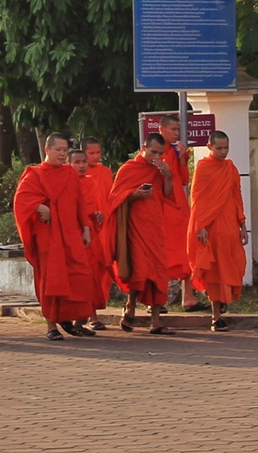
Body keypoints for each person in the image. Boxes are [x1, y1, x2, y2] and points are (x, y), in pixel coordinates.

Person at [14, 134, 97, 341]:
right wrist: (39, 206)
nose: (62, 153)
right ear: (47, 150)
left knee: (79, 277)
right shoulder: (34, 174)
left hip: (71, 234)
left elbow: (79, 202)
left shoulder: (69, 173)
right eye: (58, 149)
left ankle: (71, 320)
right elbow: (21, 199)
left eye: (64, 150)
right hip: (48, 236)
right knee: (50, 281)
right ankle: (51, 325)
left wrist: (86, 228)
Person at [108, 132, 175, 334]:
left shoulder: (159, 169)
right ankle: (130, 307)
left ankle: (156, 321)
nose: (157, 157)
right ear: (143, 147)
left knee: (159, 272)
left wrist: (168, 175)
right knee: (140, 271)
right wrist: (134, 195)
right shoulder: (129, 169)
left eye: (161, 153)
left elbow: (168, 194)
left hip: (155, 227)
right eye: (153, 152)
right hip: (135, 228)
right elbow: (114, 199)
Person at [187, 129, 248, 331]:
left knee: (234, 265)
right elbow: (197, 199)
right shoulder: (203, 168)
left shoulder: (231, 168)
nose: (223, 152)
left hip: (229, 226)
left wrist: (242, 224)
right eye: (219, 148)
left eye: (226, 148)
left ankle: (223, 301)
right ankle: (215, 317)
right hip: (210, 228)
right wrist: (200, 226)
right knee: (214, 271)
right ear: (209, 147)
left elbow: (236, 196)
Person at [156, 114, 199, 311]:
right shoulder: (153, 152)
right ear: (161, 129)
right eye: (172, 130)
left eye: (177, 130)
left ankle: (188, 297)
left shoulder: (174, 151)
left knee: (186, 253)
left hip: (179, 208)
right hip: (162, 210)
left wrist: (182, 158)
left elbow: (183, 180)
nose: (176, 134)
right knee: (163, 255)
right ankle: (157, 298)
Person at [81, 139, 117, 327]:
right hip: (87, 230)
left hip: (105, 228)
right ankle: (91, 315)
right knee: (89, 272)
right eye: (91, 153)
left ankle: (95, 309)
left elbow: (110, 198)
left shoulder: (105, 172)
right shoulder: (77, 174)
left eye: (98, 153)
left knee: (103, 271)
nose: (96, 156)